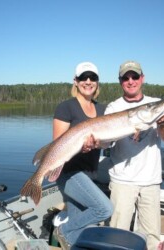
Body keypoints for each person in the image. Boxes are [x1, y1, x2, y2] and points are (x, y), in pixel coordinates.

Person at [105, 60, 164, 250]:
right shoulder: (113, 107)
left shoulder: (154, 106)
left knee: (151, 237)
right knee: (116, 233)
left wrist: (161, 124)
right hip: (122, 180)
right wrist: (95, 142)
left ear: (142, 78)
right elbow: (104, 143)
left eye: (134, 76)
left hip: (151, 180)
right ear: (120, 81)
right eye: (126, 77)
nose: (131, 81)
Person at [52, 62, 113, 249]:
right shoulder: (66, 107)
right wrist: (81, 147)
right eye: (83, 77)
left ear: (97, 82)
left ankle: (68, 240)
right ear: (76, 82)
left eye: (92, 77)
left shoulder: (102, 110)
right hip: (69, 173)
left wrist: (99, 144)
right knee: (104, 208)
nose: (88, 81)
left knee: (77, 234)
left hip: (90, 174)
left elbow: (107, 142)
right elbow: (58, 145)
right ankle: (61, 231)